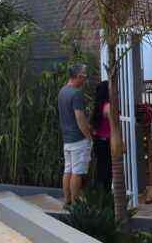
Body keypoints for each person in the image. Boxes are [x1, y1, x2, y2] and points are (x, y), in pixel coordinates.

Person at [58, 64, 92, 207]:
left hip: (67, 138)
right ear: (78, 76)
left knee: (68, 170)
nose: (85, 79)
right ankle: (75, 203)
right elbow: (80, 118)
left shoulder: (63, 91)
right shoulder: (76, 93)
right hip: (78, 138)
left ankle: (67, 200)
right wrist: (88, 136)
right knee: (77, 172)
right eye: (84, 76)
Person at [90, 81, 112, 192]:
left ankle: (99, 193)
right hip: (107, 141)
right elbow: (114, 126)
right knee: (107, 170)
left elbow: (93, 127)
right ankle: (106, 193)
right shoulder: (108, 106)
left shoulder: (97, 106)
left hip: (98, 141)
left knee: (100, 168)